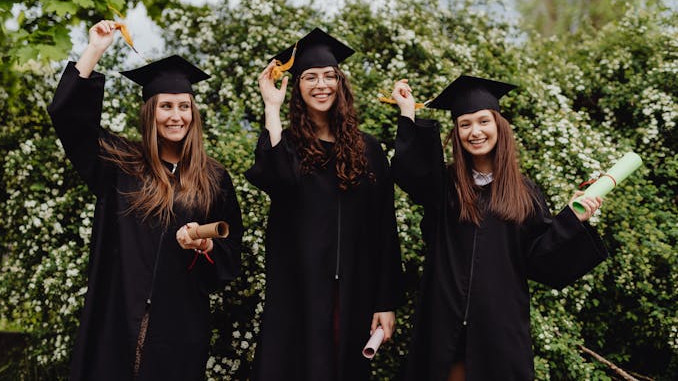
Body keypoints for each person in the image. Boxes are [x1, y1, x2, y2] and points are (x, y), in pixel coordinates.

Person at [47, 20, 243, 380]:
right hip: (117, 320)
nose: (176, 116)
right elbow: (69, 118)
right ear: (150, 112)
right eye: (166, 106)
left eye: (184, 107)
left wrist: (206, 247)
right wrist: (94, 50)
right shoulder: (119, 164)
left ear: (193, 114)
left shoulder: (214, 179)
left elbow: (231, 254)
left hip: (180, 329)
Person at [389, 75, 608, 381]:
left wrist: (570, 219)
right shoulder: (445, 186)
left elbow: (541, 262)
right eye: (465, 124)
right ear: (456, 133)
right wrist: (408, 112)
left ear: (499, 127)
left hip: (499, 333)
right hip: (443, 327)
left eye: (483, 121)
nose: (475, 132)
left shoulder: (525, 193)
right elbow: (410, 172)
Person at [245, 28, 404, 380]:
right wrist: (271, 107)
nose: (321, 84)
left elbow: (384, 229)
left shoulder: (368, 149)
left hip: (354, 291)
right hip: (297, 290)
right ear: (297, 87)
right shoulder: (286, 146)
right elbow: (276, 178)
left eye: (329, 76)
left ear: (341, 83)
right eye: (310, 77)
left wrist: (385, 301)